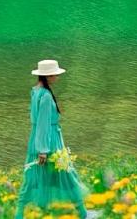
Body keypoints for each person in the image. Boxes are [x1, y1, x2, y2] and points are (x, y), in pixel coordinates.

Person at [14, 59, 89, 219]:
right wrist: (43, 150)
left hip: (36, 138)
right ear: (48, 76)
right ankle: (82, 213)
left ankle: (20, 214)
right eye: (55, 74)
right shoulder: (46, 96)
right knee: (65, 174)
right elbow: (43, 123)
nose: (57, 77)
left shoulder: (35, 91)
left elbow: (36, 121)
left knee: (33, 177)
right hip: (49, 140)